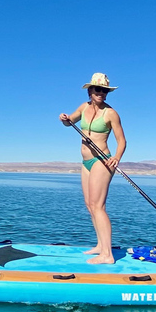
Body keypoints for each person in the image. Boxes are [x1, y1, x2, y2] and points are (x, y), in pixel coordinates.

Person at [59, 73, 126, 264]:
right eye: (98, 90)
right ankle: (100, 246)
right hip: (86, 162)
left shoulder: (111, 113)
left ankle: (108, 255)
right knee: (90, 205)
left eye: (105, 91)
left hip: (102, 161)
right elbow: (69, 121)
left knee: (99, 206)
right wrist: (64, 118)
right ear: (90, 91)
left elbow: (122, 141)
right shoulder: (84, 107)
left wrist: (116, 158)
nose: (102, 94)